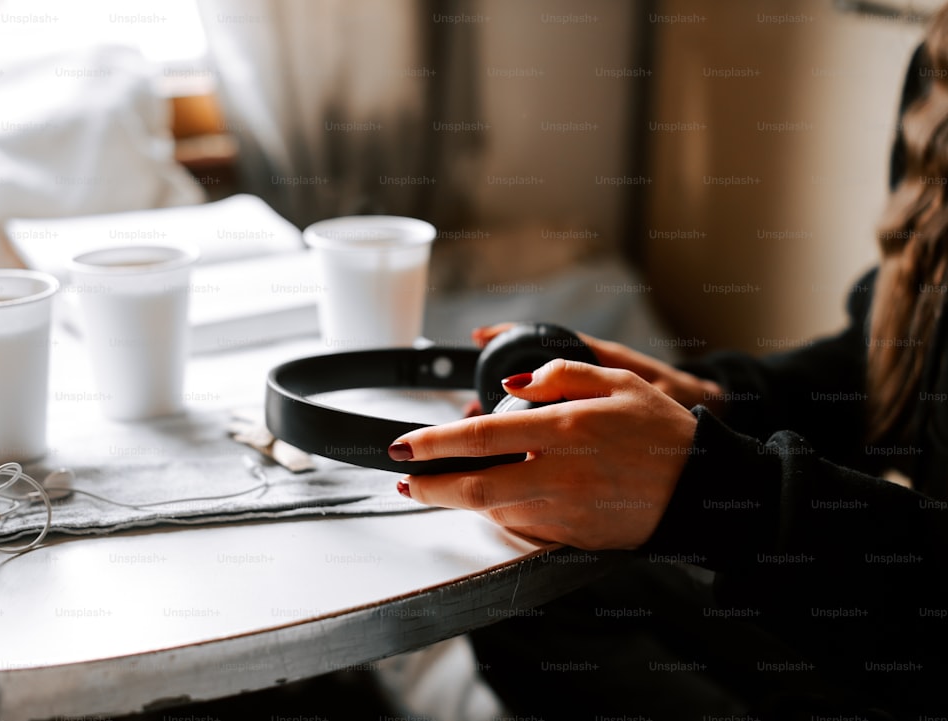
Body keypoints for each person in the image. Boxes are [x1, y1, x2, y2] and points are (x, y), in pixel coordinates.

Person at [385, 9, 948, 720]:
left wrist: (721, 491)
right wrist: (715, 398)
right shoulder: (938, 68)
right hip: (858, 597)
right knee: (521, 588)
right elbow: (888, 357)